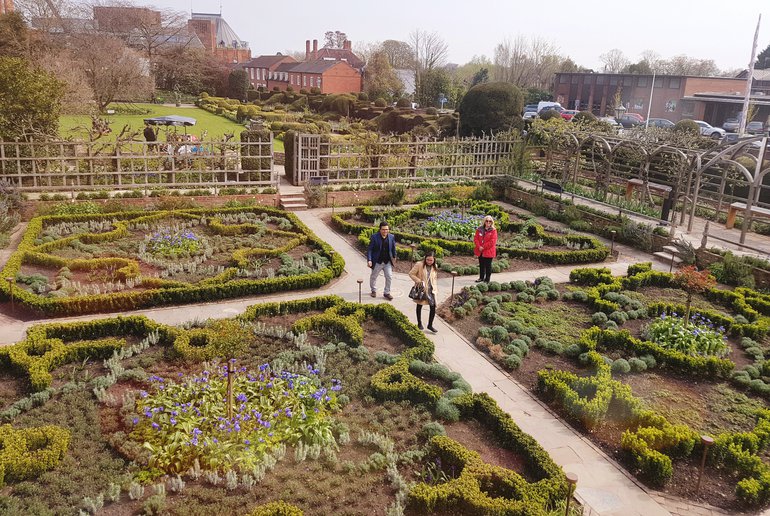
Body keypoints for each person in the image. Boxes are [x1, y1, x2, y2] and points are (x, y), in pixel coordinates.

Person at [409, 251, 438, 333]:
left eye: (431, 260)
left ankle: (430, 325)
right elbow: (411, 274)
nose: (429, 262)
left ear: (434, 260)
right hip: (422, 289)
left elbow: (435, 278)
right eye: (428, 260)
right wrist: (418, 281)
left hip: (431, 290)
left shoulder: (435, 266)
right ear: (425, 258)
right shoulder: (419, 264)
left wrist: (435, 288)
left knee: (433, 307)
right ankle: (419, 323)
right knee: (420, 305)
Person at [367, 221, 397, 300]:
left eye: (387, 229)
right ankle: (373, 290)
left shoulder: (391, 237)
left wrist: (394, 256)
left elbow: (393, 248)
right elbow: (370, 250)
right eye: (383, 229)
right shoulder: (374, 237)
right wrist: (369, 260)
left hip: (387, 262)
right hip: (377, 261)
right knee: (374, 276)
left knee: (389, 276)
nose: (385, 231)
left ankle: (387, 292)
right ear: (380, 230)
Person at [473, 215, 498, 283]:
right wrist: (479, 246)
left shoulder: (493, 231)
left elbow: (492, 242)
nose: (488, 222)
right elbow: (476, 239)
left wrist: (483, 247)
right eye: (487, 221)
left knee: (488, 266)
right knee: (481, 265)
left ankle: (487, 279)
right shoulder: (479, 229)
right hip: (480, 251)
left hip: (488, 251)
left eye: (490, 221)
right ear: (484, 221)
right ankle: (481, 278)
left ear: (492, 222)